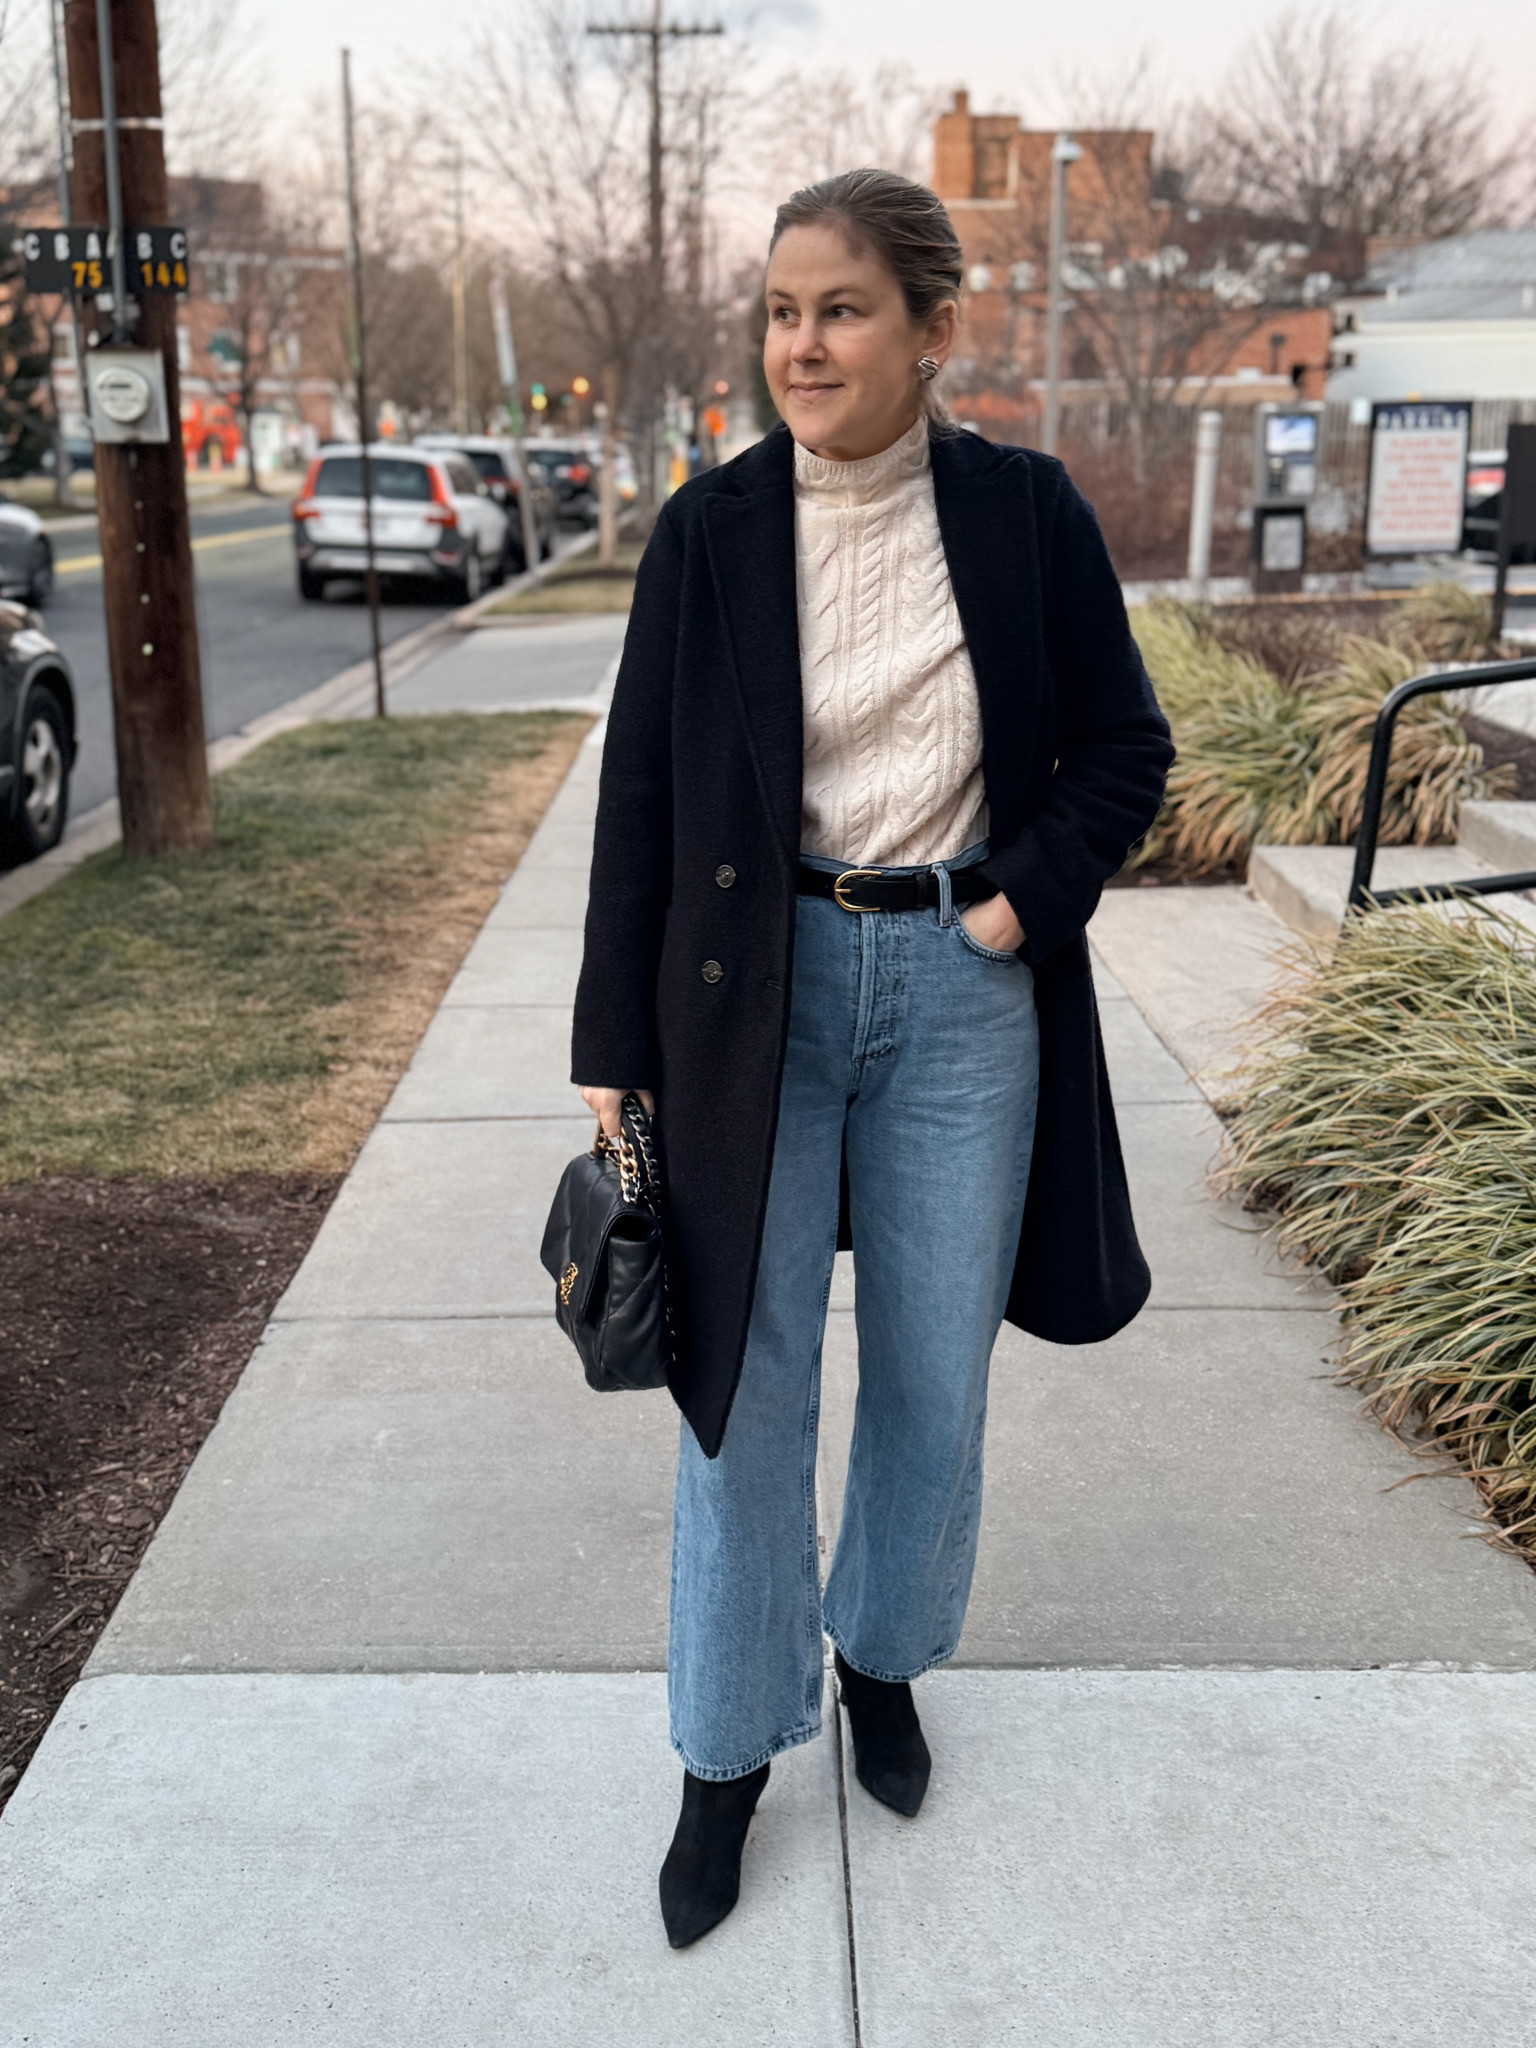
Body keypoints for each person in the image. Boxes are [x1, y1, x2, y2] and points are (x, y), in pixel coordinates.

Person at [571, 167, 1172, 1948]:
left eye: (840, 309)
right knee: (739, 1394)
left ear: (927, 327)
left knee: (932, 1373)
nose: (803, 343)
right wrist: (614, 1038)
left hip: (963, 997)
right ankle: (723, 1752)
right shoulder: (710, 530)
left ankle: (883, 1657)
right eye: (779, 310)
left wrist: (1012, 907)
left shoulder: (1026, 512)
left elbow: (1125, 751)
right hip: (751, 1001)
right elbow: (643, 799)